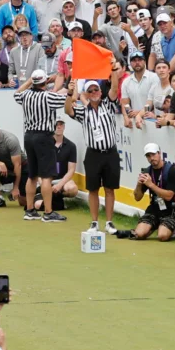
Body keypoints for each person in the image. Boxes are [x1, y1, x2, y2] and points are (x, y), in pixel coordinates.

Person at [66, 65, 123, 232]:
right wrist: (70, 93)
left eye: (96, 89)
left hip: (110, 153)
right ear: (86, 94)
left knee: (110, 188)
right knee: (93, 189)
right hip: (93, 154)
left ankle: (109, 222)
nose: (94, 93)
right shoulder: (84, 112)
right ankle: (95, 222)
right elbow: (68, 109)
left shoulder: (108, 104)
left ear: (100, 91)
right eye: (90, 91)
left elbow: (114, 87)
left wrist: (113, 70)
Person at [13, 70, 68, 221]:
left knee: (32, 175)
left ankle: (30, 210)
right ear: (45, 81)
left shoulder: (26, 95)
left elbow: (17, 93)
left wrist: (30, 80)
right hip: (43, 137)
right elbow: (66, 100)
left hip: (29, 136)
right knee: (46, 176)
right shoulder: (48, 96)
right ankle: (48, 212)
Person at [113, 143, 175, 241]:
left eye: (153, 154)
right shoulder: (147, 172)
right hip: (155, 207)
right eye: (148, 156)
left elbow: (169, 196)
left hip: (172, 209)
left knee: (162, 236)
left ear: (159, 153)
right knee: (139, 234)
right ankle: (154, 225)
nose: (151, 158)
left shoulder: (171, 171)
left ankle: (168, 228)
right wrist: (139, 184)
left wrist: (151, 184)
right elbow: (137, 198)